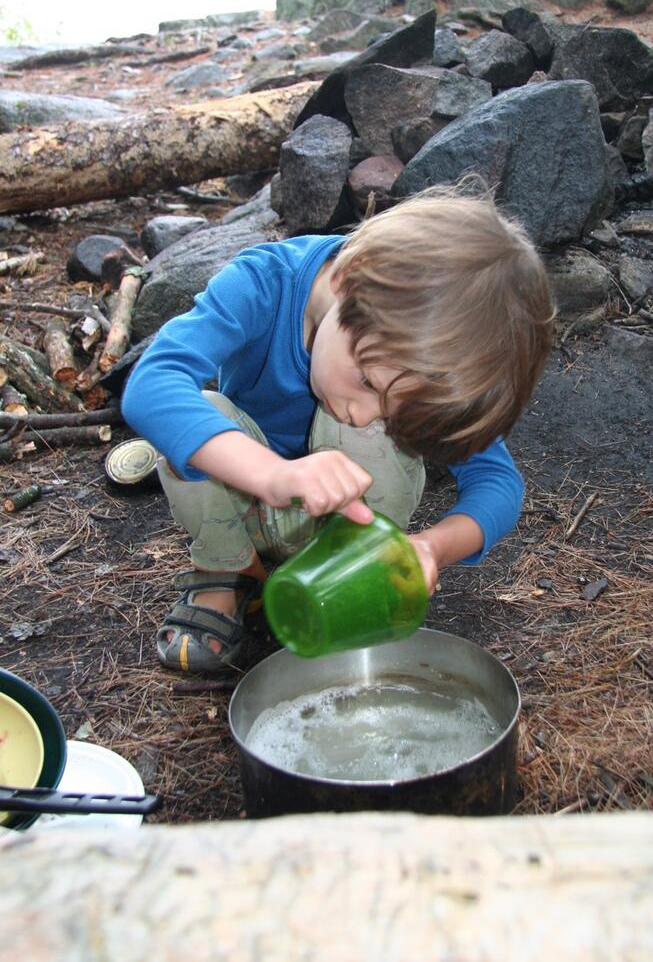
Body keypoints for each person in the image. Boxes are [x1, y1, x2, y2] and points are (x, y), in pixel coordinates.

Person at [122, 184, 555, 674]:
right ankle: (226, 572)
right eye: (366, 380)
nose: (362, 411)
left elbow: (499, 482)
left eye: (392, 409)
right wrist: (272, 476)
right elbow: (152, 384)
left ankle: (346, 572)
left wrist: (432, 547)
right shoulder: (262, 283)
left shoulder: (413, 356)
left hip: (345, 532)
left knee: (364, 435)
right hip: (243, 503)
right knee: (199, 412)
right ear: (349, 278)